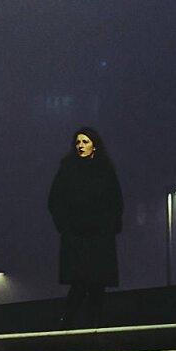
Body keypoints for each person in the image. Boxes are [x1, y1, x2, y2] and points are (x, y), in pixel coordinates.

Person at [47, 125, 122, 329]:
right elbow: (54, 201)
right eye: (78, 142)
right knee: (80, 280)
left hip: (100, 236)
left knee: (97, 282)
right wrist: (65, 227)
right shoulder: (67, 169)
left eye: (85, 142)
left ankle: (94, 325)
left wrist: (111, 225)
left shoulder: (105, 170)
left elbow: (115, 200)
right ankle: (68, 321)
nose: (81, 146)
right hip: (77, 236)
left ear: (94, 146)